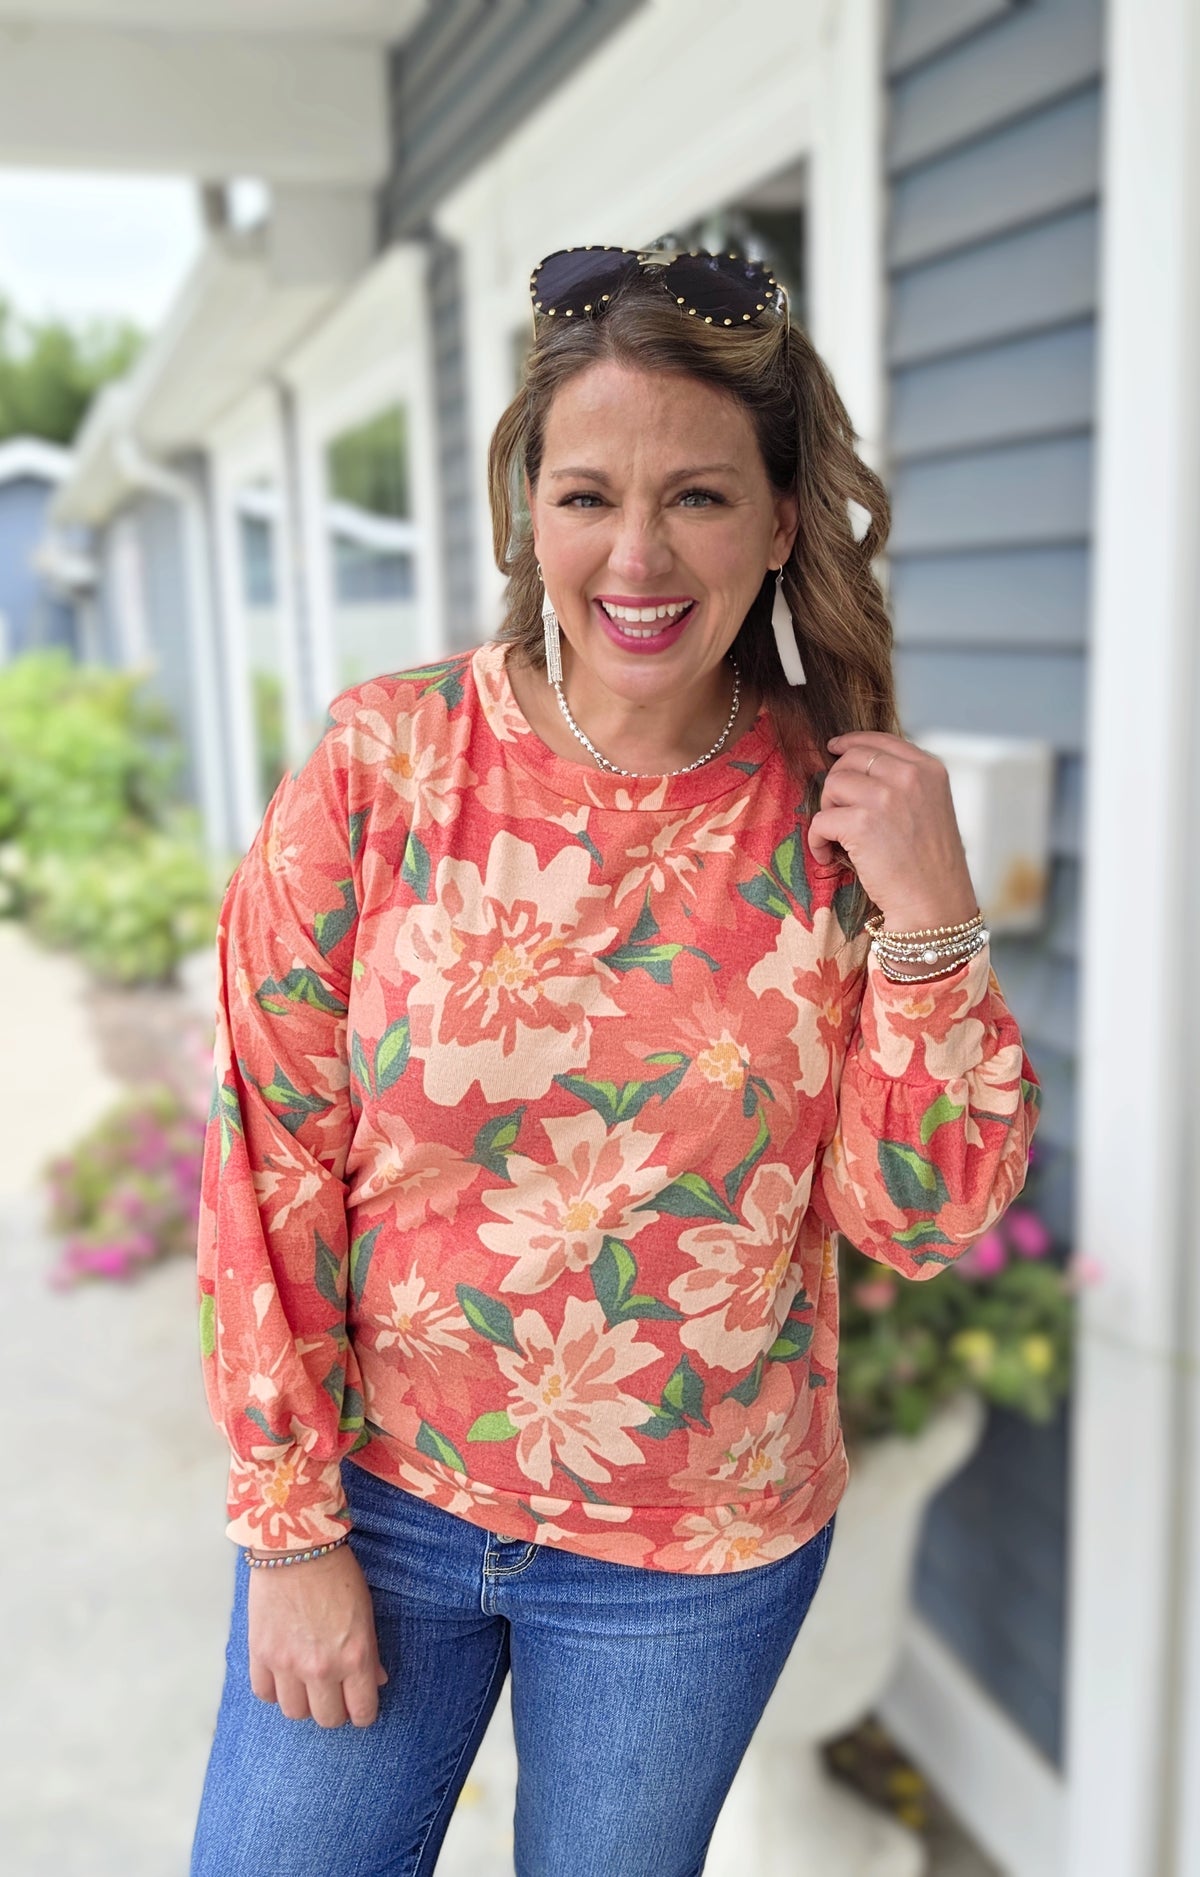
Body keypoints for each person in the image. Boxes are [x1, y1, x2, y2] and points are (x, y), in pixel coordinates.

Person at [190, 245, 1041, 1877]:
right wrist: (287, 1530)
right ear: (531, 515)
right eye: (588, 495)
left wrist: (933, 922)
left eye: (701, 498)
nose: (637, 555)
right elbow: (265, 1149)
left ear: (783, 523)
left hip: (694, 1557)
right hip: (384, 1500)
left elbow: (918, 1220)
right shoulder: (389, 760)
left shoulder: (842, 812)